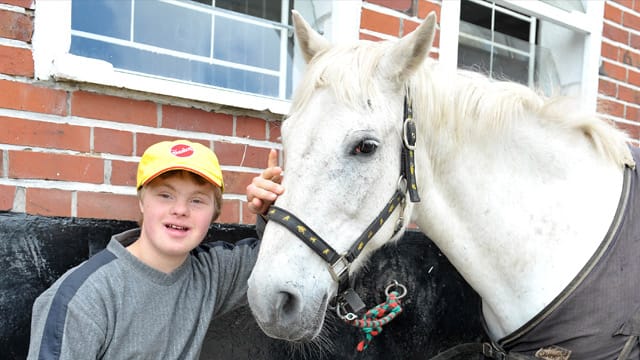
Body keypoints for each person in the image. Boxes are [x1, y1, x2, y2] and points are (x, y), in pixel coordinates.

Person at [27, 139, 283, 359]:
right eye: (165, 195)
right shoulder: (82, 299)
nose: (180, 210)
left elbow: (278, 261)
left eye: (197, 200)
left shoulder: (211, 273)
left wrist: (274, 212)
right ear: (141, 202)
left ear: (214, 214)